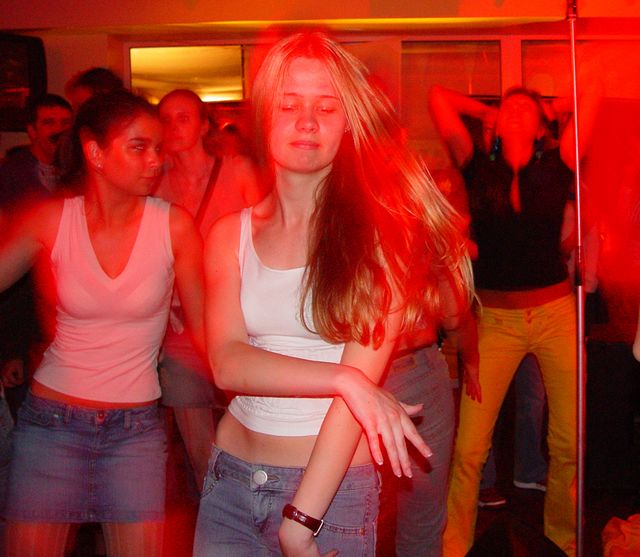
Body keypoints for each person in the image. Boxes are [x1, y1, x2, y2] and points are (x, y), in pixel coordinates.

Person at [193, 30, 474, 557]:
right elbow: (227, 363)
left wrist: (301, 521)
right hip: (229, 480)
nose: (306, 121)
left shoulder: (381, 238)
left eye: (325, 107)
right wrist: (344, 379)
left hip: (332, 493)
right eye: (289, 105)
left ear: (348, 122)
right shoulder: (228, 234)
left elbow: (350, 411)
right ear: (264, 117)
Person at [0, 90, 204, 557]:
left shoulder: (174, 226)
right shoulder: (52, 219)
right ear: (95, 153)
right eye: (139, 147)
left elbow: (209, 330)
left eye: (158, 148)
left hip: (135, 431)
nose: (156, 160)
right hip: (51, 425)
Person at [429, 82, 600, 556]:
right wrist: (488, 111)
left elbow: (593, 91)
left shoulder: (559, 163)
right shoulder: (477, 165)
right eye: (509, 109)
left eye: (527, 109)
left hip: (555, 314)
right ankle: (453, 546)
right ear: (497, 124)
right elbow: (438, 96)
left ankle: (564, 542)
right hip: (495, 321)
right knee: (470, 448)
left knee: (568, 442)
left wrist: (551, 107)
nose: (517, 112)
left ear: (543, 127)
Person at [153, 88, 263, 490]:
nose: (173, 127)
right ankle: (213, 512)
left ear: (203, 126)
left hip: (237, 323)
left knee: (250, 431)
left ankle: (250, 509)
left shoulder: (237, 171)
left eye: (183, 118)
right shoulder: (155, 182)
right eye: (165, 119)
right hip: (182, 327)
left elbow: (267, 236)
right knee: (199, 449)